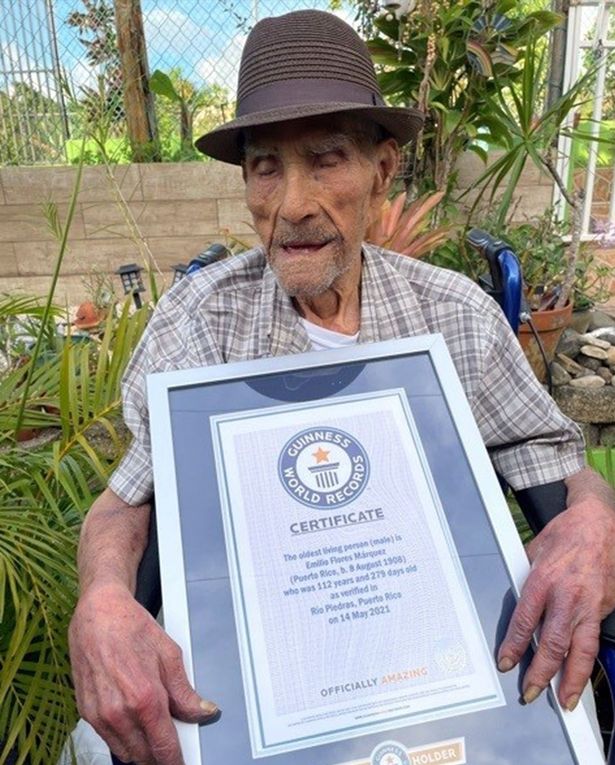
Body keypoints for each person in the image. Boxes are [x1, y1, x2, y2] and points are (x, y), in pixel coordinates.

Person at [68, 9, 615, 765]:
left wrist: (592, 525)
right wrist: (100, 600)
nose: (291, 202)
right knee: (97, 747)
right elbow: (127, 499)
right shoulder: (203, 318)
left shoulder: (451, 315)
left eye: (325, 159)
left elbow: (559, 465)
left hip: (429, 651)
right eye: (266, 166)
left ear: (382, 171)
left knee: (563, 711)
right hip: (255, 658)